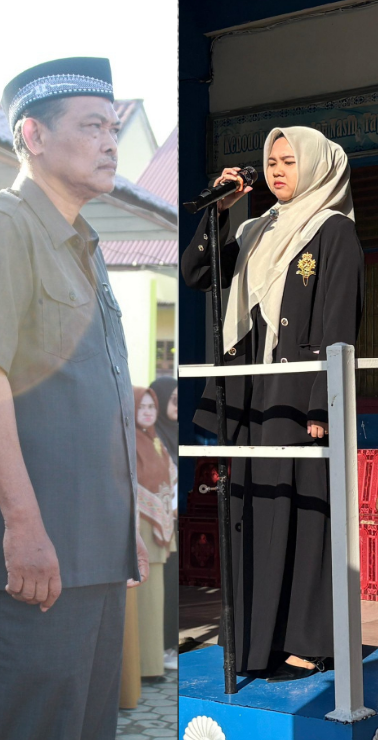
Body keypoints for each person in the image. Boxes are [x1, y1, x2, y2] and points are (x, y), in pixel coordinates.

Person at [0, 58, 149, 740]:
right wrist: (25, 528)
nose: (110, 141)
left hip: (87, 556)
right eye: (91, 126)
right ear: (32, 134)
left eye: (113, 127)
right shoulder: (1, 227)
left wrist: (123, 532)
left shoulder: (84, 246)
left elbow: (99, 400)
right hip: (24, 560)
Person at [181, 126, 364, 682]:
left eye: (289, 161)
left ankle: (308, 642)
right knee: (254, 512)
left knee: (302, 513)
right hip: (254, 396)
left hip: (299, 396)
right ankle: (258, 638)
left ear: (315, 167)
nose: (279, 170)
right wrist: (218, 211)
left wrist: (321, 408)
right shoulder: (259, 228)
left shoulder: (333, 232)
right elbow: (197, 273)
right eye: (271, 162)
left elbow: (338, 322)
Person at [134, 387, 176, 679]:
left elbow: (168, 476)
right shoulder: (129, 441)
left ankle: (151, 664)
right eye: (142, 406)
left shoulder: (155, 440)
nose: (148, 411)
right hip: (141, 529)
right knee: (144, 600)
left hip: (158, 527)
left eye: (152, 406)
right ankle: (143, 666)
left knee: (155, 599)